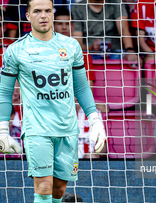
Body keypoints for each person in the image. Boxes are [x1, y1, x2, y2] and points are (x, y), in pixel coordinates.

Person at [0, 1, 106, 203]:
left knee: (58, 191)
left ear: (53, 13)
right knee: (43, 189)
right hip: (37, 130)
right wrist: (4, 130)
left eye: (47, 10)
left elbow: (81, 87)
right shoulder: (16, 51)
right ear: (28, 15)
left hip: (68, 131)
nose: (43, 15)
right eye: (37, 11)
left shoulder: (70, 46)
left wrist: (95, 119)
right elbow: (4, 92)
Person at [53, 7, 107, 159]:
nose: (64, 27)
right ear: (53, 26)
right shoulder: (45, 54)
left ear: (73, 27)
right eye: (59, 24)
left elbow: (86, 88)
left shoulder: (82, 55)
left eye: (67, 24)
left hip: (75, 106)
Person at [71, 0, 138, 61]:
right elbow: (77, 41)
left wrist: (130, 50)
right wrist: (91, 48)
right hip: (90, 54)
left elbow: (124, 29)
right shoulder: (78, 8)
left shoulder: (116, 3)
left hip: (116, 53)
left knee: (132, 59)